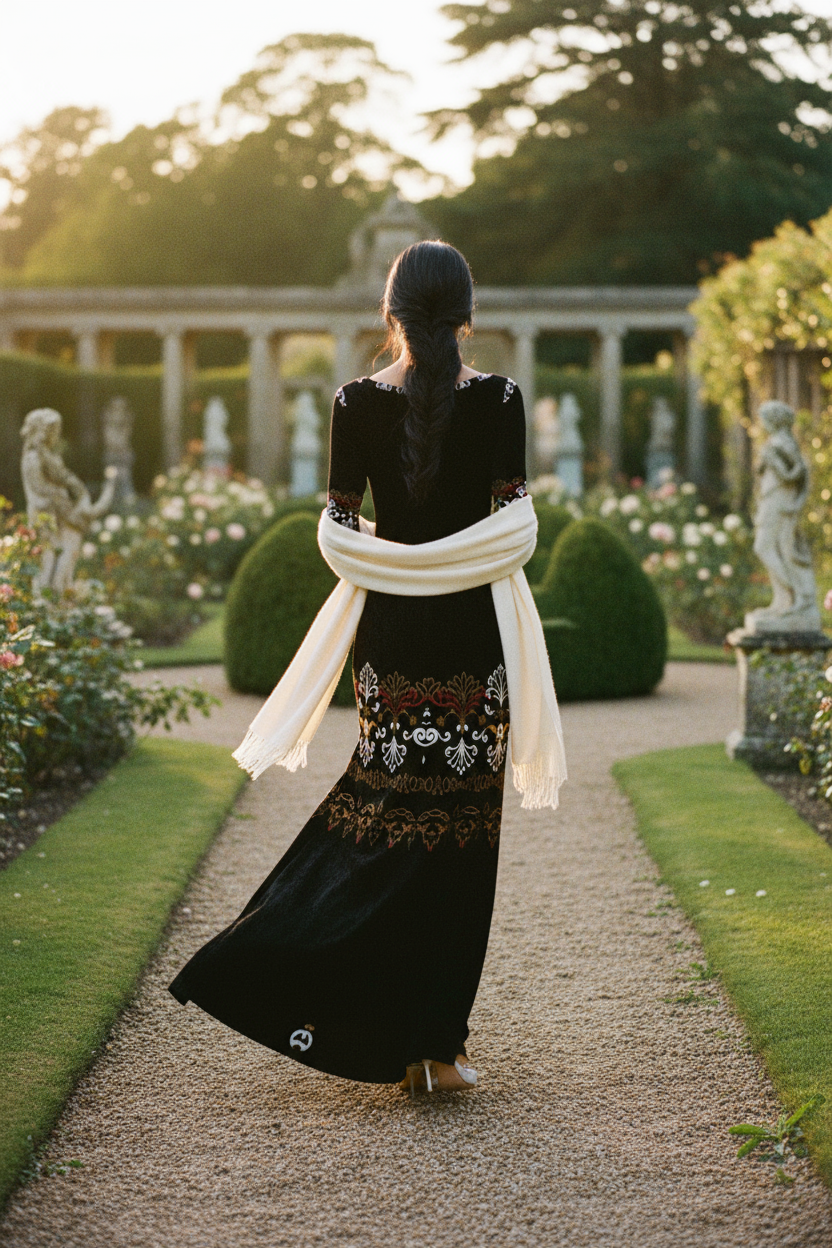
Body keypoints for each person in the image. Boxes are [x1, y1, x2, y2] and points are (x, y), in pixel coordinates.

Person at [169, 240, 565, 1093]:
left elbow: (340, 535)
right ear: (467, 314)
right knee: (462, 840)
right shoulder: (500, 400)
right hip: (473, 649)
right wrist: (451, 560)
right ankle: (437, 1048)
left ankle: (335, 995)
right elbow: (516, 533)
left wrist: (404, 562)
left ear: (389, 313)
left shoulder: (353, 403)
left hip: (389, 651)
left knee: (384, 823)